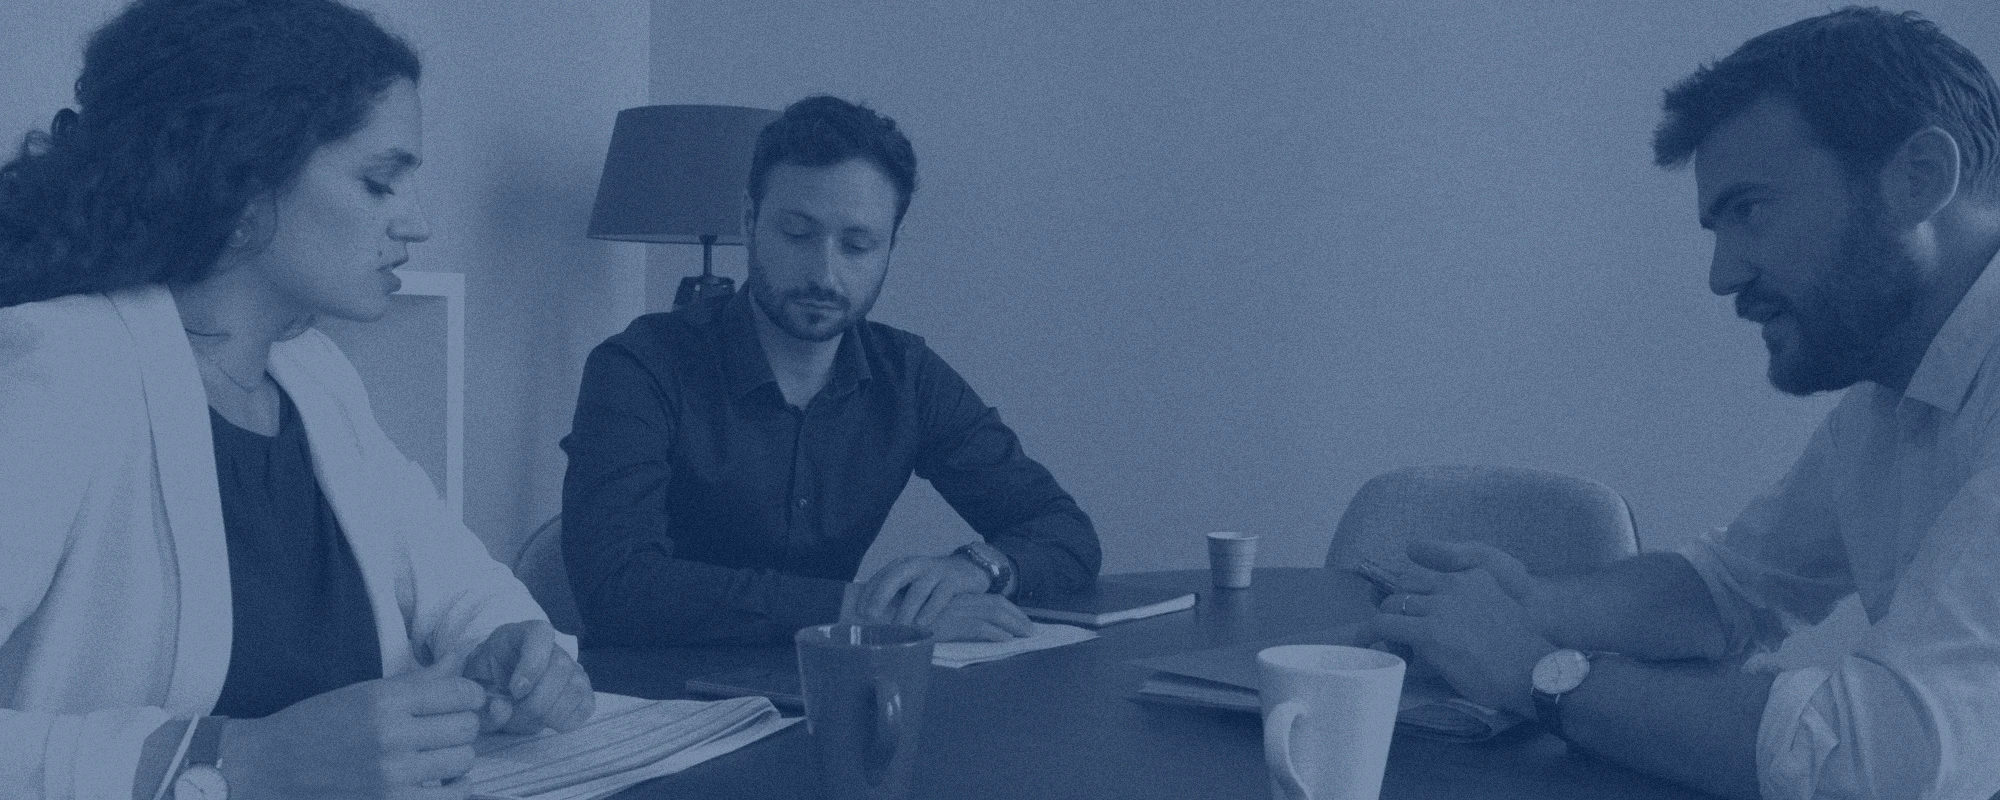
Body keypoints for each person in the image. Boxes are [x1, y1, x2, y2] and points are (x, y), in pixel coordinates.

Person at [1361, 7, 2000, 799]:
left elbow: (1873, 759)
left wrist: (1536, 672)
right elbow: (1729, 588)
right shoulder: (1887, 396)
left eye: (1750, 210)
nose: (1722, 276)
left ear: (1919, 179)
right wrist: (1542, 604)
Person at [0, 2, 594, 799]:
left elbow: (460, 586)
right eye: (379, 182)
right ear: (243, 178)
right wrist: (234, 760)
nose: (416, 223)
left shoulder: (317, 380)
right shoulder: (65, 369)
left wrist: (511, 653)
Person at [561, 95, 1102, 647]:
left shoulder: (907, 375)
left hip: (834, 686)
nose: (825, 273)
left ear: (890, 246)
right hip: (655, 688)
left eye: (857, 245)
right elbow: (617, 586)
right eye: (798, 235)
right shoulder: (639, 366)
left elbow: (1066, 533)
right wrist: (863, 611)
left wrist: (978, 568)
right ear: (749, 221)